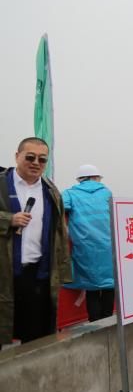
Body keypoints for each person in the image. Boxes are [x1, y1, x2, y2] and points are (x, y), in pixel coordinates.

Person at [0, 137, 71, 344]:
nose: (36, 163)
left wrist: (64, 269)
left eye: (42, 159)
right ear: (17, 156)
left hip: (38, 275)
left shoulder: (50, 190)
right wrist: (8, 219)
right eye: (30, 157)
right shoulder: (3, 184)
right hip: (5, 274)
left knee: (36, 337)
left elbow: (60, 231)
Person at [62, 165, 114, 322]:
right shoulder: (107, 192)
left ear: (80, 180)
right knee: (109, 285)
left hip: (85, 247)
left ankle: (95, 323)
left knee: (91, 287)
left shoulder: (70, 193)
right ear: (96, 178)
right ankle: (108, 323)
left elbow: (59, 208)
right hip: (108, 246)